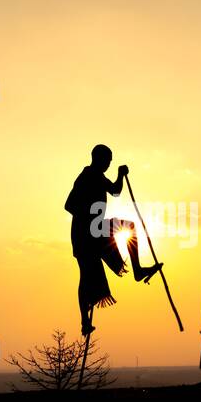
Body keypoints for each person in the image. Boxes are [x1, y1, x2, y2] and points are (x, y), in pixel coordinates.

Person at [64, 144, 161, 336]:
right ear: (98, 159)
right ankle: (84, 321)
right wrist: (89, 216)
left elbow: (115, 191)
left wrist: (120, 174)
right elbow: (69, 205)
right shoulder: (86, 177)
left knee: (129, 227)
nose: (109, 163)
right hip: (84, 235)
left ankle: (138, 270)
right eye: (108, 160)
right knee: (85, 277)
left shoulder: (99, 177)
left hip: (97, 229)